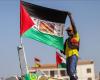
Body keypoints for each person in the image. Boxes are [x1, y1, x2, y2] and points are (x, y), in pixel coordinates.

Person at [61, 12, 80, 80]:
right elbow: (63, 51)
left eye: (69, 31)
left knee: (72, 72)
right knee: (69, 73)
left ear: (72, 31)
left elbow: (74, 26)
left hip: (73, 55)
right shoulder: (66, 41)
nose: (68, 32)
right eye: (67, 31)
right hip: (68, 57)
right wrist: (60, 48)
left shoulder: (75, 36)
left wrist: (70, 16)